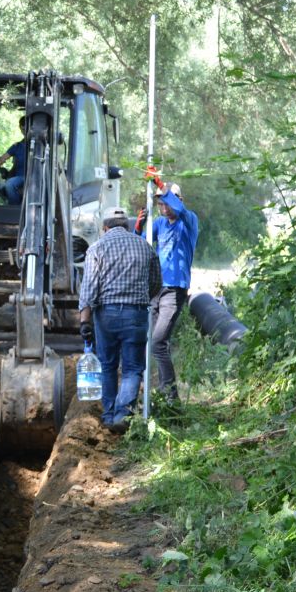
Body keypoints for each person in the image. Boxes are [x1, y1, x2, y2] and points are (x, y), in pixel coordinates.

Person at [77, 206, 162, 431]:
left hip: (106, 315)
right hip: (136, 314)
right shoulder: (144, 246)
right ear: (126, 225)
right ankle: (123, 414)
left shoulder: (97, 248)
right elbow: (156, 283)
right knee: (132, 368)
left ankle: (108, 416)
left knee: (108, 365)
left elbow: (89, 288)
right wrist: (140, 298)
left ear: (105, 228)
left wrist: (84, 321)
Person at [146, 182, 198, 404]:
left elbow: (180, 210)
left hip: (175, 289)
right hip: (156, 288)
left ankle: (171, 397)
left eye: (167, 203)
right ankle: (162, 392)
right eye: (160, 204)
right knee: (156, 343)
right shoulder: (159, 224)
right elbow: (143, 242)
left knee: (158, 342)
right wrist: (139, 226)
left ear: (178, 200)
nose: (164, 208)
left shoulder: (188, 221)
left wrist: (162, 186)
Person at [0, 117, 28, 205]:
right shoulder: (17, 146)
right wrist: (0, 160)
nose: (25, 132)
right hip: (20, 177)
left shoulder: (40, 146)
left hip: (35, 178)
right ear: (20, 129)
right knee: (8, 184)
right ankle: (15, 207)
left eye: (26, 129)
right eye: (23, 129)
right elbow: (2, 158)